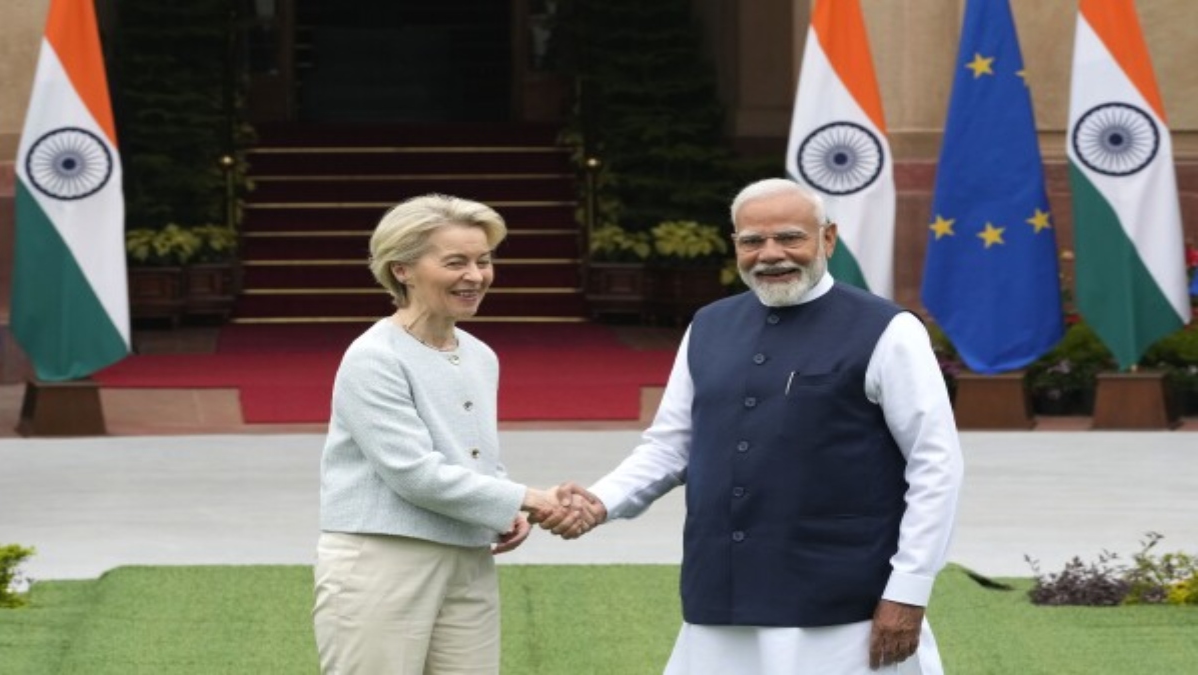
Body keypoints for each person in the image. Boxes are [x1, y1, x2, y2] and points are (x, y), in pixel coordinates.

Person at [551, 178, 964, 674]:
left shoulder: (889, 330)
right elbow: (669, 447)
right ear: (736, 247)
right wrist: (600, 502)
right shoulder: (708, 325)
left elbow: (936, 466)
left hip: (841, 602)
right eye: (752, 241)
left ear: (827, 239)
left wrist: (909, 590)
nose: (770, 254)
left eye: (790, 237)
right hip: (720, 593)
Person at [313, 194, 588, 674]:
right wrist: (528, 499)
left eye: (484, 261)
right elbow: (413, 473)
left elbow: (473, 454)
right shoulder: (374, 357)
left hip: (468, 556)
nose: (476, 276)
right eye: (455, 262)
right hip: (382, 561)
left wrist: (504, 511)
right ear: (402, 269)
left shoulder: (480, 354)